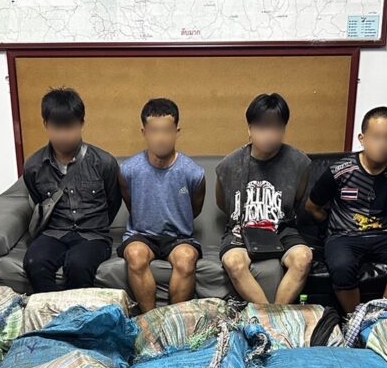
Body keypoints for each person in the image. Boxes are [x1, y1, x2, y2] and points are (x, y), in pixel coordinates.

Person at [306, 106, 387, 314]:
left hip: (383, 235)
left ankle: (381, 311)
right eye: (376, 137)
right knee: (342, 265)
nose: (383, 144)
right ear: (362, 138)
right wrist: (330, 225)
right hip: (344, 236)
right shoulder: (340, 171)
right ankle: (356, 317)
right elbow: (312, 206)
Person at [215, 93, 314, 304]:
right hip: (241, 230)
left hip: (282, 229)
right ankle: (269, 316)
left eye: (276, 127)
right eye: (262, 127)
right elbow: (223, 203)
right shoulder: (229, 165)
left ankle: (274, 314)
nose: (269, 134)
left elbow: (297, 199)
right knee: (233, 262)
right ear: (249, 129)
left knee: (303, 258)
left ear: (284, 129)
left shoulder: (299, 163)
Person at [22, 87, 122, 292]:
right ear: (46, 125)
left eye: (69, 127)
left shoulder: (104, 162)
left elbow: (113, 201)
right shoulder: (34, 166)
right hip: (54, 232)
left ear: (82, 124)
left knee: (78, 264)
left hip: (93, 235)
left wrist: (97, 224)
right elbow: (38, 199)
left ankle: (79, 311)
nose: (63, 134)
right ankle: (53, 310)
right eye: (56, 127)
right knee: (34, 261)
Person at [118, 98, 206, 312]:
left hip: (179, 237)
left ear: (177, 131)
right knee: (135, 255)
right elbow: (130, 202)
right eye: (154, 131)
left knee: (186, 259)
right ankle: (151, 321)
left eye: (167, 131)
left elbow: (195, 208)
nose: (160, 138)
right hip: (142, 235)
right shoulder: (129, 170)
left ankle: (172, 321)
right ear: (144, 132)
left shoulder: (193, 173)